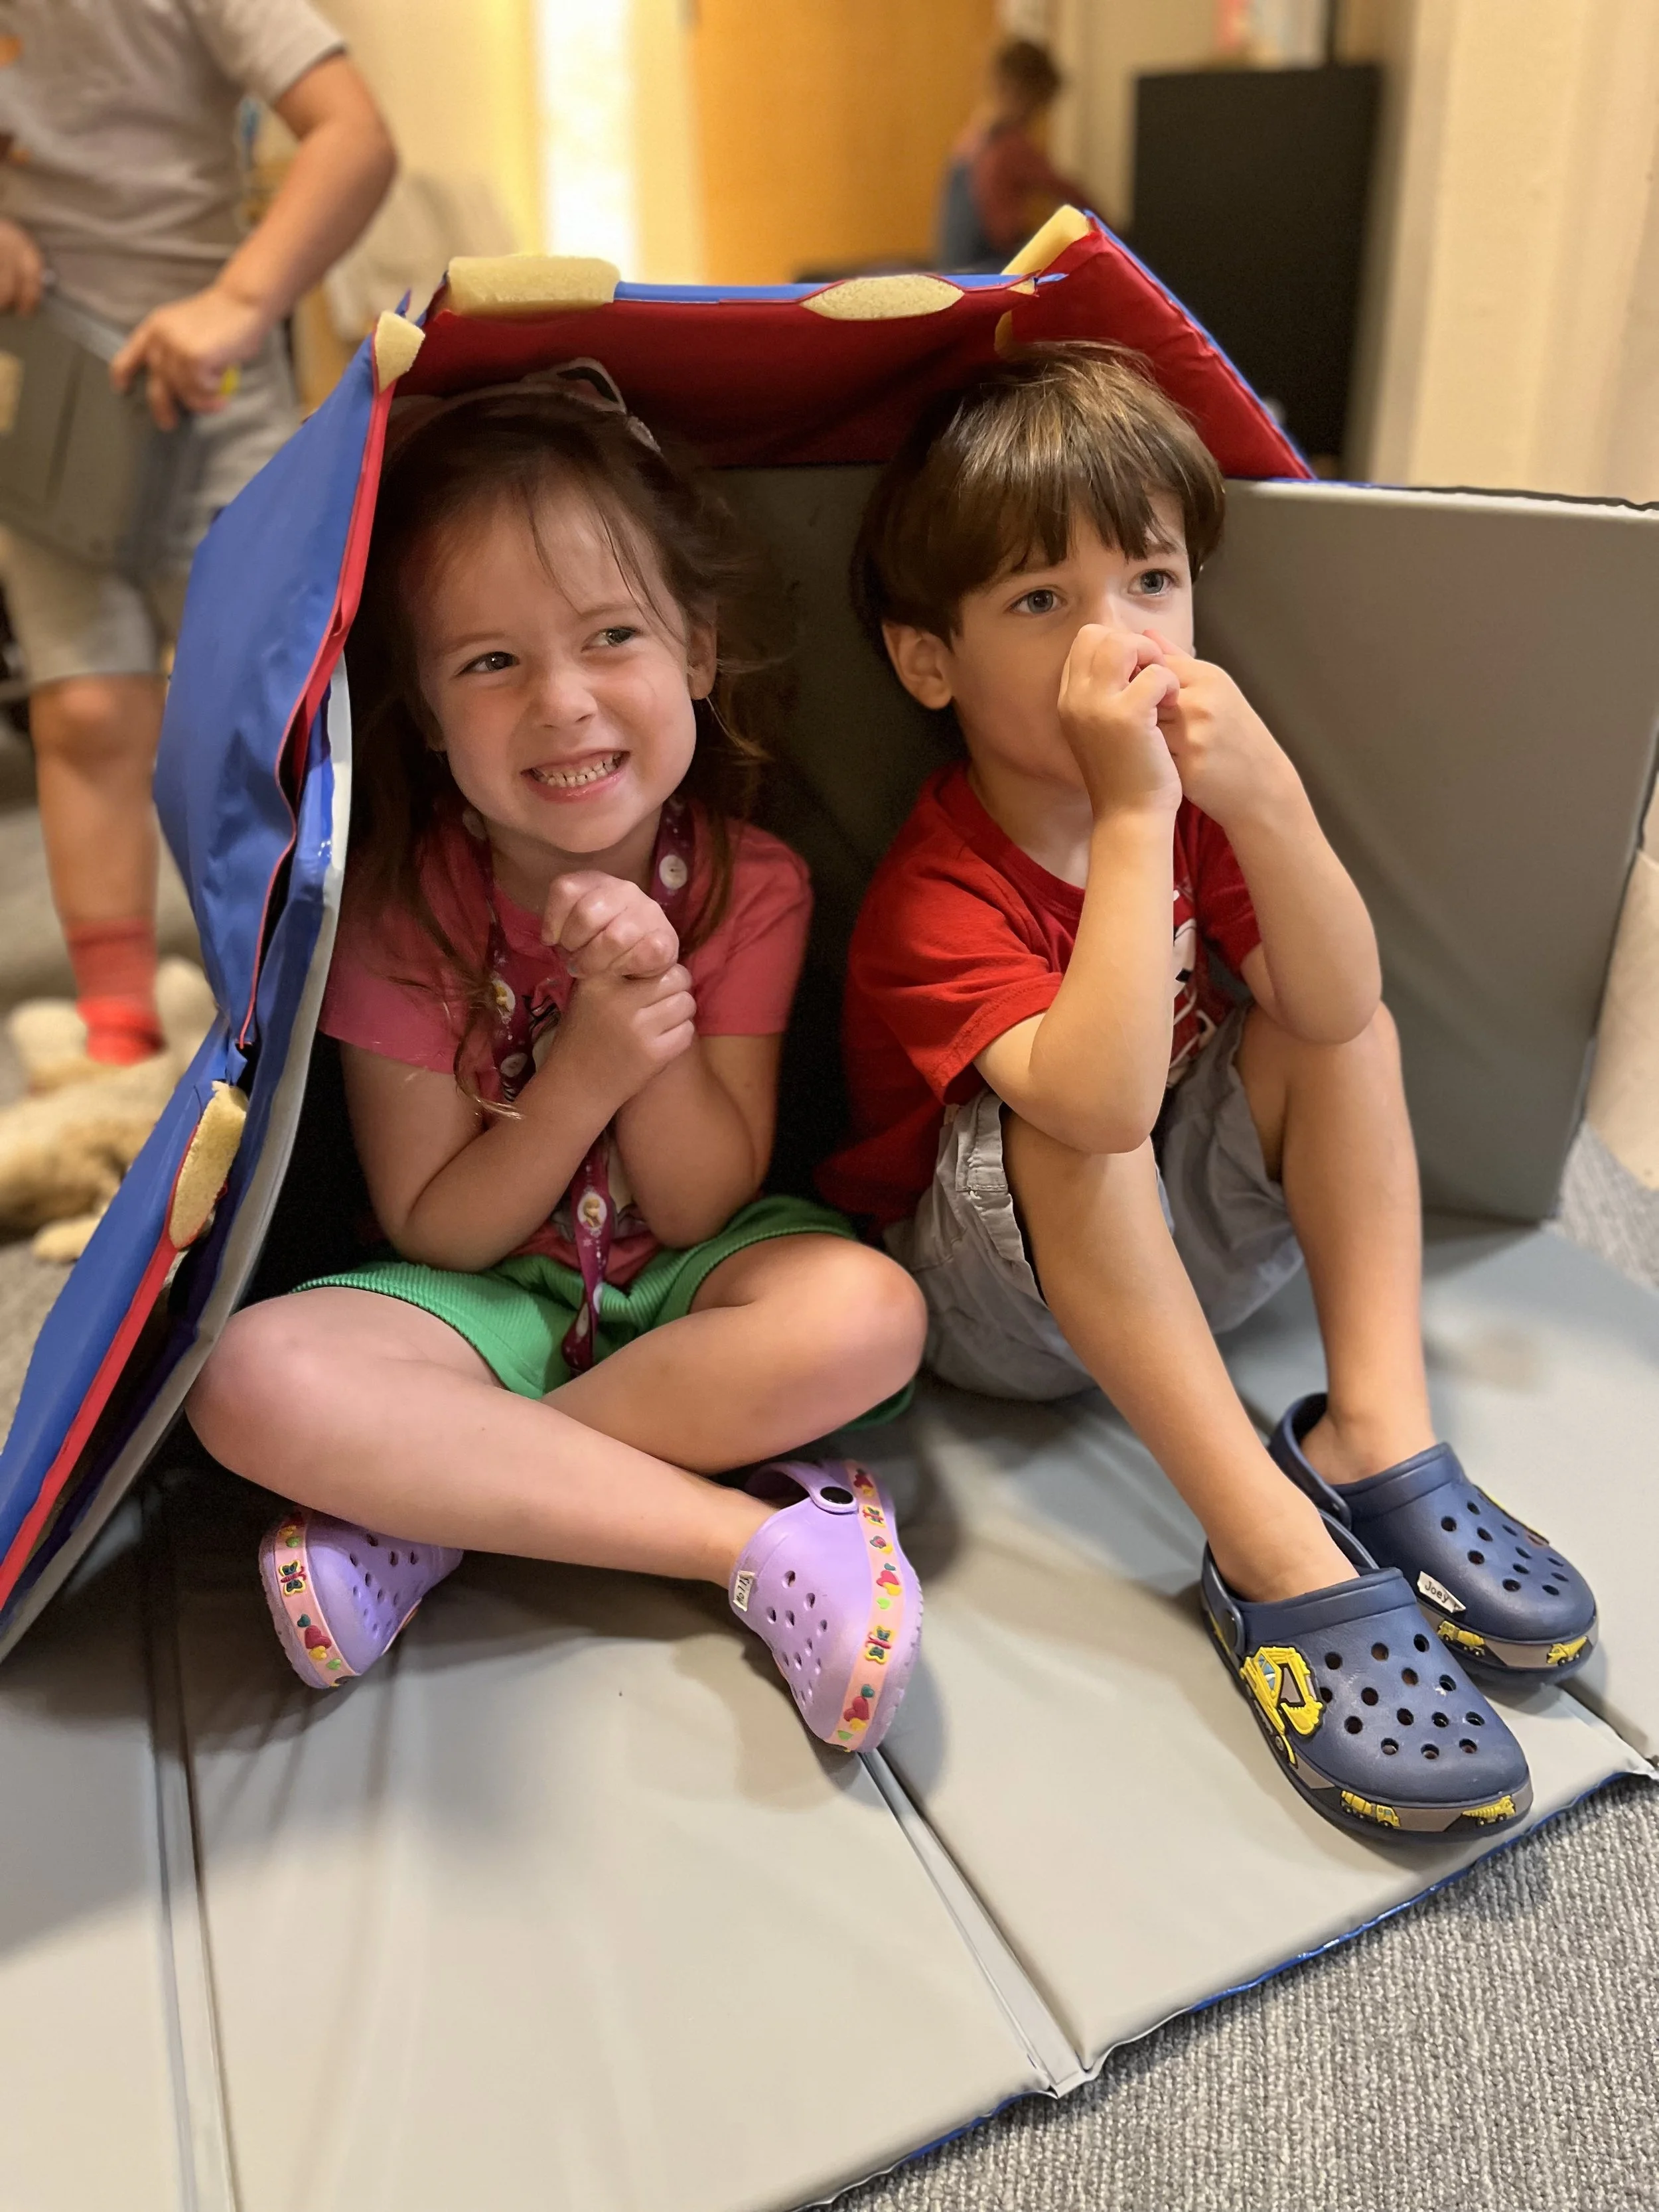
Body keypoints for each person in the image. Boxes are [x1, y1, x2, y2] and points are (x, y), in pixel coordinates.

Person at [821, 344, 1599, 1836]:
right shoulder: (939, 892)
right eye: (1040, 602)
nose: (1116, 641)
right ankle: (1264, 1544)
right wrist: (1132, 816)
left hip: (1176, 1247)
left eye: (1150, 583)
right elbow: (1100, 1106)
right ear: (931, 661)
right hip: (1000, 1299)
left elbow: (1335, 1003)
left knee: (1340, 1027)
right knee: (1067, 1115)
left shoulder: (1192, 808)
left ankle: (1370, 1429)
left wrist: (1267, 797)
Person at [186, 374, 927, 1755]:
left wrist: (648, 1007)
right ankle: (752, 1537)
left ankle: (438, 1504)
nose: (563, 703)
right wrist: (583, 1062)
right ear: (418, 707)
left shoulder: (748, 883)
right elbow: (435, 1223)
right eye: (490, 662)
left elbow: (704, 1204)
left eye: (610, 636)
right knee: (250, 1377)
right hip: (487, 1299)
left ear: (697, 650)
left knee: (866, 1310)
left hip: (687, 1285)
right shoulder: (396, 909)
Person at [0, 1, 395, 1067]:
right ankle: (115, 1031)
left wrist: (238, 298)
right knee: (83, 709)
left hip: (212, 394)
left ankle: (305, 999)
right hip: (41, 407)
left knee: (263, 716)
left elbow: (356, 137)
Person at [936, 39, 1087, 272]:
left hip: (954, 271)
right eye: (1037, 106)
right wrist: (1113, 233)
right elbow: (1071, 195)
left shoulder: (969, 140)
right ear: (1022, 93)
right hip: (988, 271)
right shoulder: (1011, 145)